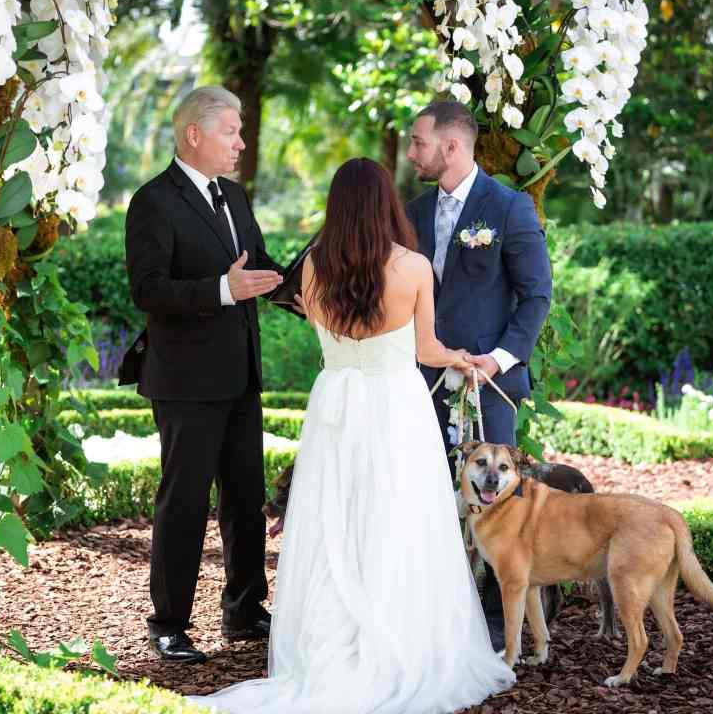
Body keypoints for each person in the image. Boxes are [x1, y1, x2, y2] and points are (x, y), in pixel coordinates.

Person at [190, 158, 515, 714]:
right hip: (395, 404)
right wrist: (463, 359)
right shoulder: (413, 267)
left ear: (337, 207)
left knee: (333, 519)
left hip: (336, 402)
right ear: (388, 203)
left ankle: (329, 646)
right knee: (398, 518)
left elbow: (326, 331)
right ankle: (401, 637)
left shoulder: (315, 266)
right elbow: (426, 352)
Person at [123, 86, 285, 664]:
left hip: (241, 373)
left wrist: (313, 288)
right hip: (186, 382)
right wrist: (221, 290)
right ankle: (168, 623)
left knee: (246, 497)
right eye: (231, 133)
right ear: (194, 135)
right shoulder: (152, 201)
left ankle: (244, 609)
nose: (241, 143)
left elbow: (258, 268)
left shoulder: (236, 197)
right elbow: (147, 289)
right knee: (185, 503)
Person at [404, 100, 554, 650]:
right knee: (425, 495)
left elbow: (537, 295)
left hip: (489, 387)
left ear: (451, 146)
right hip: (420, 383)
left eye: (418, 142)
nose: (411, 151)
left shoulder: (509, 208)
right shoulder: (413, 211)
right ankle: (436, 610)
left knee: (499, 505)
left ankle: (497, 617)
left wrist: (497, 359)